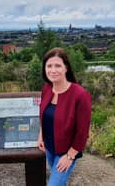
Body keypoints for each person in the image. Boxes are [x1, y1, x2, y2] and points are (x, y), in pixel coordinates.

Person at [37, 47, 91, 186]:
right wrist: (41, 135)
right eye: (49, 66)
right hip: (49, 148)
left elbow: (82, 132)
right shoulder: (47, 88)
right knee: (60, 182)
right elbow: (44, 115)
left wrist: (70, 156)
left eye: (58, 65)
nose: (53, 70)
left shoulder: (80, 95)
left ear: (66, 68)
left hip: (67, 151)